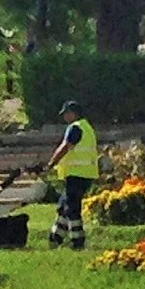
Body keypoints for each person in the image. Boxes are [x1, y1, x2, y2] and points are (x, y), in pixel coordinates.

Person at [44, 101, 99, 250]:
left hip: (76, 173)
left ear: (73, 113)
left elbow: (65, 147)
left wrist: (51, 164)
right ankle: (55, 238)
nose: (64, 117)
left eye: (66, 114)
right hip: (86, 173)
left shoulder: (75, 128)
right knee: (64, 205)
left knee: (72, 209)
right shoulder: (87, 127)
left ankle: (77, 240)